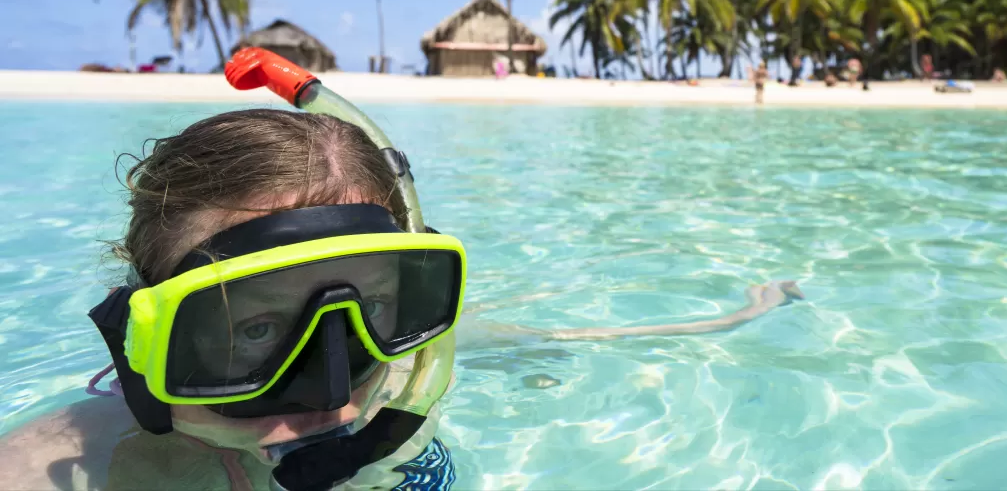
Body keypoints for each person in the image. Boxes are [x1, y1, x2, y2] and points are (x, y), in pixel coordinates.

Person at [0, 49, 801, 490]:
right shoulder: (66, 470)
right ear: (136, 333)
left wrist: (734, 316)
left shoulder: (407, 360)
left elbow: (574, 336)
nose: (330, 390)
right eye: (252, 327)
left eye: (365, 311)